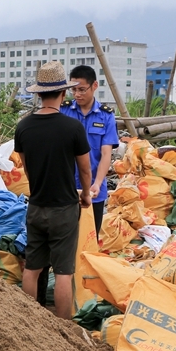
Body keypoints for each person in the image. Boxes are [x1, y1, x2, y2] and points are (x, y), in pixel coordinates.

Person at [15, 61, 92, 320]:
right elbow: (84, 170)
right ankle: (63, 328)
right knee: (63, 272)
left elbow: (26, 167)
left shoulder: (23, 127)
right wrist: (85, 195)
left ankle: (29, 321)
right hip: (64, 209)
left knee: (33, 268)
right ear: (63, 93)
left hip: (36, 206)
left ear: (38, 94)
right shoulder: (72, 128)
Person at [60, 65, 120, 237]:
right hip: (66, 188)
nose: (77, 94)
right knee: (65, 238)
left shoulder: (105, 116)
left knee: (89, 238)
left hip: (94, 191)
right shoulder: (63, 111)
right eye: (73, 90)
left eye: (81, 89)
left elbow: (106, 154)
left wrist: (98, 183)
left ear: (94, 86)